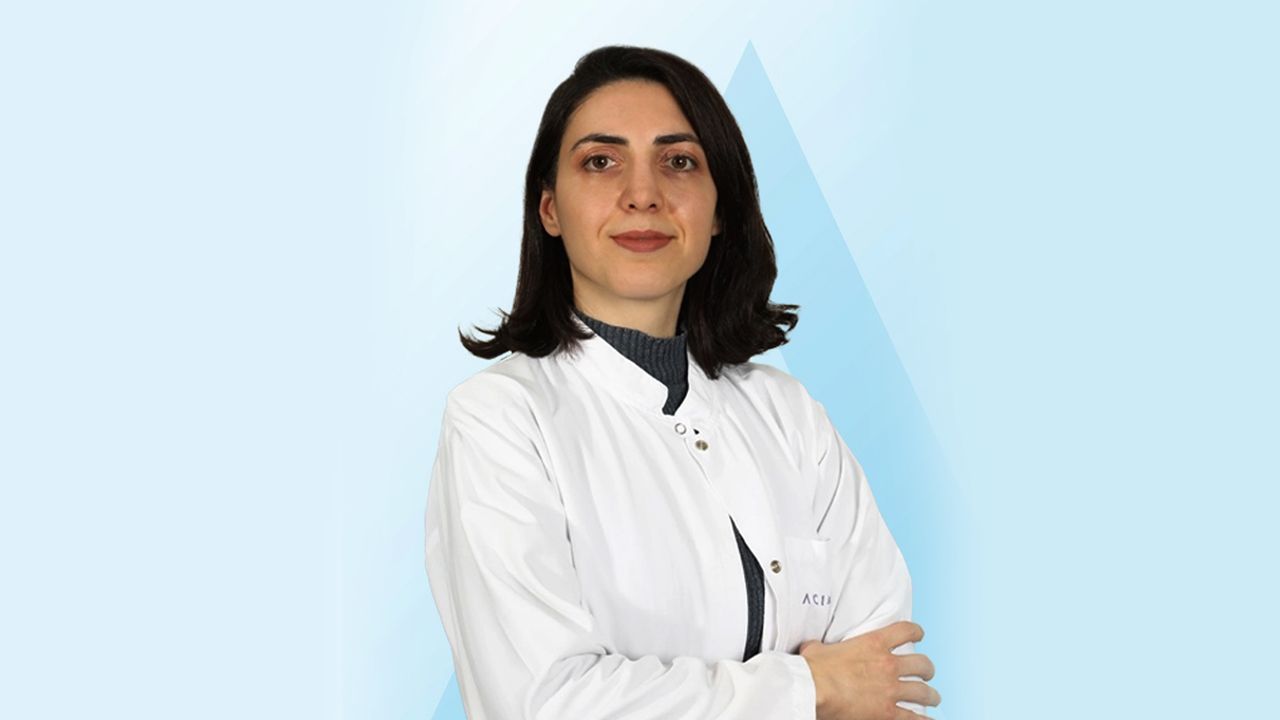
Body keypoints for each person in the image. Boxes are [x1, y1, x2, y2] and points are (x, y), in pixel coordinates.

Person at [424, 45, 940, 720]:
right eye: (600, 162)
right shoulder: (499, 420)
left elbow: (884, 674)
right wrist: (810, 688)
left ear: (720, 208)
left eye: (679, 162)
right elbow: (548, 704)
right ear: (549, 209)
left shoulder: (788, 416)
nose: (643, 194)